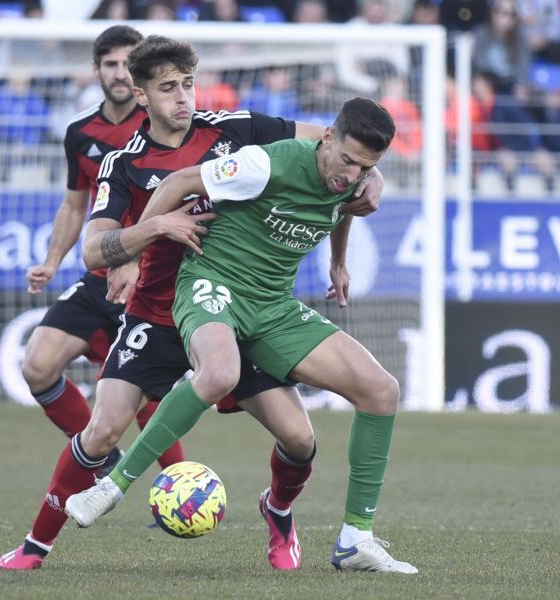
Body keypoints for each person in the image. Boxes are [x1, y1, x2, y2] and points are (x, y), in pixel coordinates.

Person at [46, 35, 385, 572]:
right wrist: (139, 244)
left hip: (255, 305)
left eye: (187, 84)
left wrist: (371, 175)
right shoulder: (123, 160)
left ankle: (283, 512)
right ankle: (49, 535)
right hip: (171, 308)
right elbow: (95, 246)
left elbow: (331, 158)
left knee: (300, 440)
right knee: (91, 411)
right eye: (168, 88)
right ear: (142, 95)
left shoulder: (237, 129)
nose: (183, 97)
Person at [0, 25, 186, 571]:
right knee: (37, 366)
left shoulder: (166, 130)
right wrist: (53, 262)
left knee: (146, 394)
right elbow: (73, 207)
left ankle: (173, 485)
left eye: (131, 64)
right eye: (111, 64)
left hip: (151, 277)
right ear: (98, 70)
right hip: (102, 272)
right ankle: (104, 462)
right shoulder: (81, 134)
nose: (121, 73)